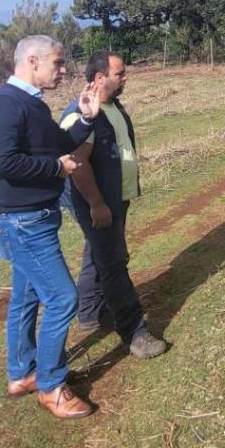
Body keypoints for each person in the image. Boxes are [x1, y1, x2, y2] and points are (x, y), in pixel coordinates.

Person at [0, 34, 101, 420]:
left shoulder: (32, 106)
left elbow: (63, 141)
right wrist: (54, 168)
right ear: (32, 61)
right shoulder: (3, 105)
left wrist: (86, 117)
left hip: (35, 218)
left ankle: (22, 374)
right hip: (23, 223)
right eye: (58, 64)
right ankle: (51, 386)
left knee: (27, 297)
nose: (63, 71)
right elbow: (2, 164)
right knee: (64, 298)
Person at [59, 51, 168, 360]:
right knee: (114, 261)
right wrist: (96, 204)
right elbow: (77, 165)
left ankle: (90, 312)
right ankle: (134, 332)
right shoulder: (78, 116)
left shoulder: (112, 106)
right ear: (99, 78)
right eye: (119, 73)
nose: (125, 78)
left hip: (116, 197)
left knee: (98, 252)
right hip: (98, 201)